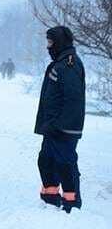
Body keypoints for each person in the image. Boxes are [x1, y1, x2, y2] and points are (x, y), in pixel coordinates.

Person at [35, 26, 85, 213]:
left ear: (59, 43)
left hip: (64, 127)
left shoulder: (69, 64)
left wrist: (59, 125)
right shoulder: (60, 63)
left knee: (65, 163)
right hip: (53, 126)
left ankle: (71, 203)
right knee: (46, 161)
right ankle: (50, 199)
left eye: (50, 42)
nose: (48, 47)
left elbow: (73, 99)